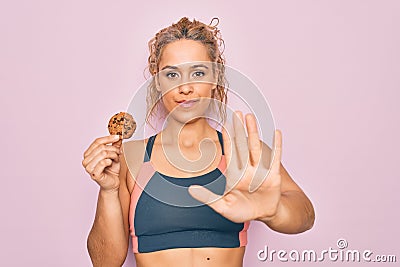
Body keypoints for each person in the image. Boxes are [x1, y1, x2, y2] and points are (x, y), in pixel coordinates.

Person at [82, 17, 315, 267]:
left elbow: (305, 215)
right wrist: (108, 190)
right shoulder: (132, 158)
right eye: (172, 74)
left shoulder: (244, 152)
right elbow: (105, 262)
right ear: (158, 81)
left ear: (215, 77)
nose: (185, 87)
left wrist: (275, 210)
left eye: (198, 72)